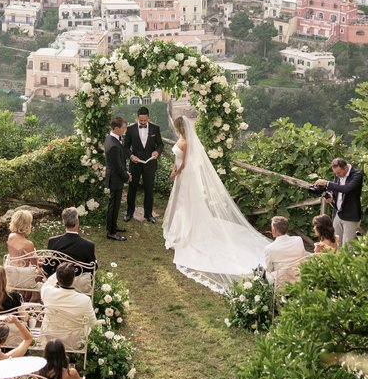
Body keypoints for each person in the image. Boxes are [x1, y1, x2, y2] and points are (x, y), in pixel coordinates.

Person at [163, 109, 268, 295]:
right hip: (179, 175)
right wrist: (173, 171)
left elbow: (185, 163)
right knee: (180, 205)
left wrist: (176, 173)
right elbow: (176, 159)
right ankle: (179, 230)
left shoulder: (187, 143)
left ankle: (189, 231)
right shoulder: (181, 141)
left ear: (179, 127)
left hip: (186, 176)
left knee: (187, 204)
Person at [40, 263, 96, 348]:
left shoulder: (47, 292)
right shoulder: (85, 300)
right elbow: (93, 323)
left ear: (57, 278)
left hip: (50, 338)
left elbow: (49, 282)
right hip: (74, 342)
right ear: (74, 279)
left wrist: (60, 272)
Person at [124, 106, 162, 223]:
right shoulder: (130, 129)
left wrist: (157, 152)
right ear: (137, 118)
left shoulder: (156, 128)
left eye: (145, 120)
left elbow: (160, 145)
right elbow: (125, 147)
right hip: (135, 165)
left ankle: (148, 214)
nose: (143, 122)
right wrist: (131, 156)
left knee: (149, 190)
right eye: (141, 121)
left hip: (150, 164)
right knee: (132, 189)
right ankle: (129, 213)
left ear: (148, 118)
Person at [315, 157, 363, 247]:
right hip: (338, 213)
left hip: (350, 215)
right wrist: (331, 197)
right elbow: (337, 190)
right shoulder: (338, 175)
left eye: (338, 173)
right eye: (335, 173)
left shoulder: (357, 174)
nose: (337, 175)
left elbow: (346, 189)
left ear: (345, 167)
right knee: (336, 243)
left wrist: (327, 183)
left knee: (348, 246)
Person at [44, 207, 96, 279]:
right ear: (77, 221)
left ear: (63, 222)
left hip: (57, 281)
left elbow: (47, 268)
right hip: (77, 283)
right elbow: (92, 268)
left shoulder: (53, 241)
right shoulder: (88, 245)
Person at [262, 216, 308, 286]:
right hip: (299, 279)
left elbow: (269, 269)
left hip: (282, 283)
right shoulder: (298, 240)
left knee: (263, 272)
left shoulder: (269, 248)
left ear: (274, 230)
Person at [6, 209, 42, 293]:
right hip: (24, 276)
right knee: (42, 271)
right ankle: (34, 296)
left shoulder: (10, 236)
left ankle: (26, 294)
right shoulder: (28, 244)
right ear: (27, 225)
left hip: (12, 273)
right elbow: (35, 265)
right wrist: (40, 262)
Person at [104, 115, 128, 241]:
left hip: (116, 177)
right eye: (123, 128)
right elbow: (117, 166)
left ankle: (113, 226)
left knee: (115, 204)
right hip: (116, 178)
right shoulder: (113, 144)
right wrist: (126, 176)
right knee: (114, 205)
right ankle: (111, 232)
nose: (125, 129)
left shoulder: (110, 138)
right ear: (117, 128)